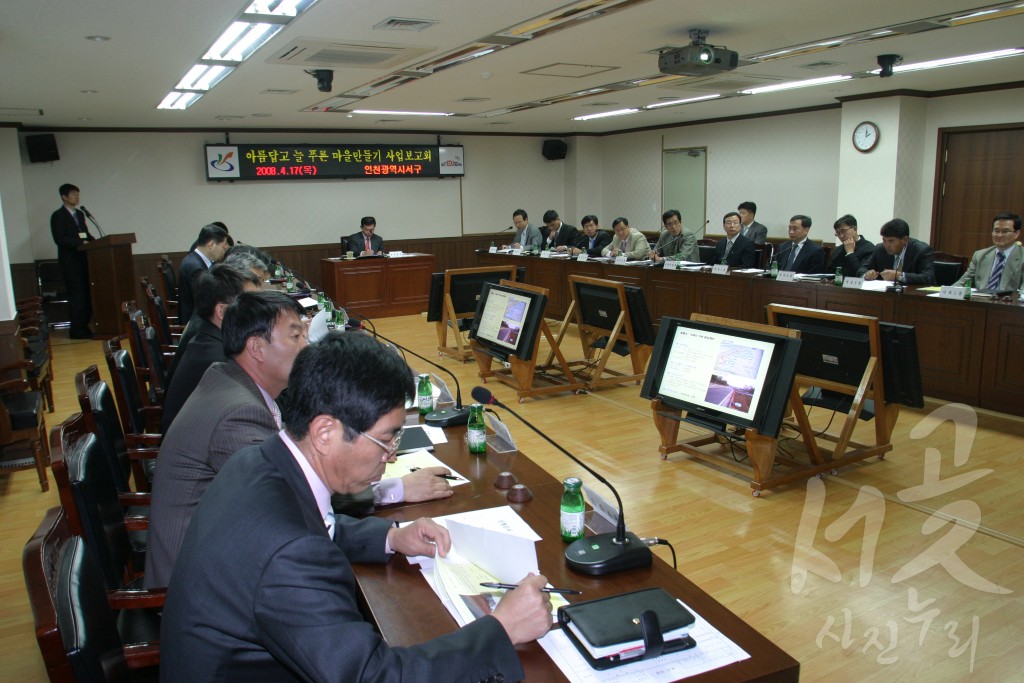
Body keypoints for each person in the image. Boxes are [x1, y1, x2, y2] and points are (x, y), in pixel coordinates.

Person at [160, 332, 552, 681]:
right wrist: (502, 629)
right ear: (325, 432)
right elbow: (372, 675)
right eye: (387, 440)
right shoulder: (290, 554)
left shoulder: (258, 464)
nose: (389, 456)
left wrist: (392, 537)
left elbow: (311, 524)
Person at [145, 291, 451, 588]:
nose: (306, 346)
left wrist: (391, 537)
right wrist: (393, 489)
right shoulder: (238, 415)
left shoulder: (232, 381)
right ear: (256, 348)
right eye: (295, 337)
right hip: (197, 584)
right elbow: (297, 504)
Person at [161, 265, 261, 431]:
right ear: (222, 311)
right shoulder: (219, 360)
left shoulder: (209, 337)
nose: (260, 311)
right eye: (251, 304)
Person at [49, 183, 95, 339]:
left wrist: (94, 242)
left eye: (78, 193)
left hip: (84, 262)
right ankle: (76, 330)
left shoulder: (80, 215)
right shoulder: (58, 216)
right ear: (64, 196)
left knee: (87, 295)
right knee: (78, 296)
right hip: (70, 264)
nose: (77, 196)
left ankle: (84, 327)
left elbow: (85, 234)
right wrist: (81, 243)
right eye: (73, 194)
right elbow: (60, 239)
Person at [954, 212, 1023, 290]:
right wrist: (947, 292)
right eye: (996, 231)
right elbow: (964, 282)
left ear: (1016, 234)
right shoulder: (980, 255)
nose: (999, 235)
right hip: (980, 300)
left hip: (1008, 301)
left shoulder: (1022, 256)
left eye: (1005, 231)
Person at [178, 223, 231, 323]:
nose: (226, 249)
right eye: (224, 246)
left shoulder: (195, 260)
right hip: (196, 323)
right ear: (211, 245)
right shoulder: (195, 267)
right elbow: (206, 301)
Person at [860, 218, 936, 285]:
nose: (887, 245)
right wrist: (866, 274)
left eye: (891, 241)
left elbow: (928, 278)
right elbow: (862, 269)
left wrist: (899, 276)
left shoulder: (921, 250)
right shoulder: (880, 249)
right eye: (884, 240)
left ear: (905, 240)